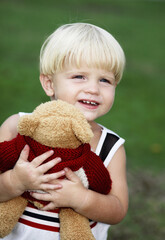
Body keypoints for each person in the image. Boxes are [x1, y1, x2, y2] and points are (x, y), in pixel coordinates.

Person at [0, 23, 128, 240]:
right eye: (79, 76)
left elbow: (117, 209)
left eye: (105, 80)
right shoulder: (18, 126)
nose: (93, 89)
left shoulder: (110, 146)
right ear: (49, 83)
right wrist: (15, 182)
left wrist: (82, 199)